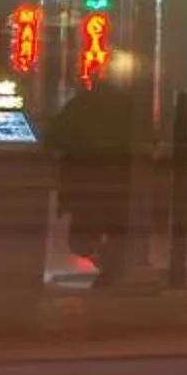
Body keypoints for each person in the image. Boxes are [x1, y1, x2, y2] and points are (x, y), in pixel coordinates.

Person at [48, 75, 140, 286]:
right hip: (119, 182)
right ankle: (111, 267)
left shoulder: (80, 105)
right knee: (114, 229)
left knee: (82, 237)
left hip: (84, 183)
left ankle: (106, 264)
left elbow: (56, 137)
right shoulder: (127, 108)